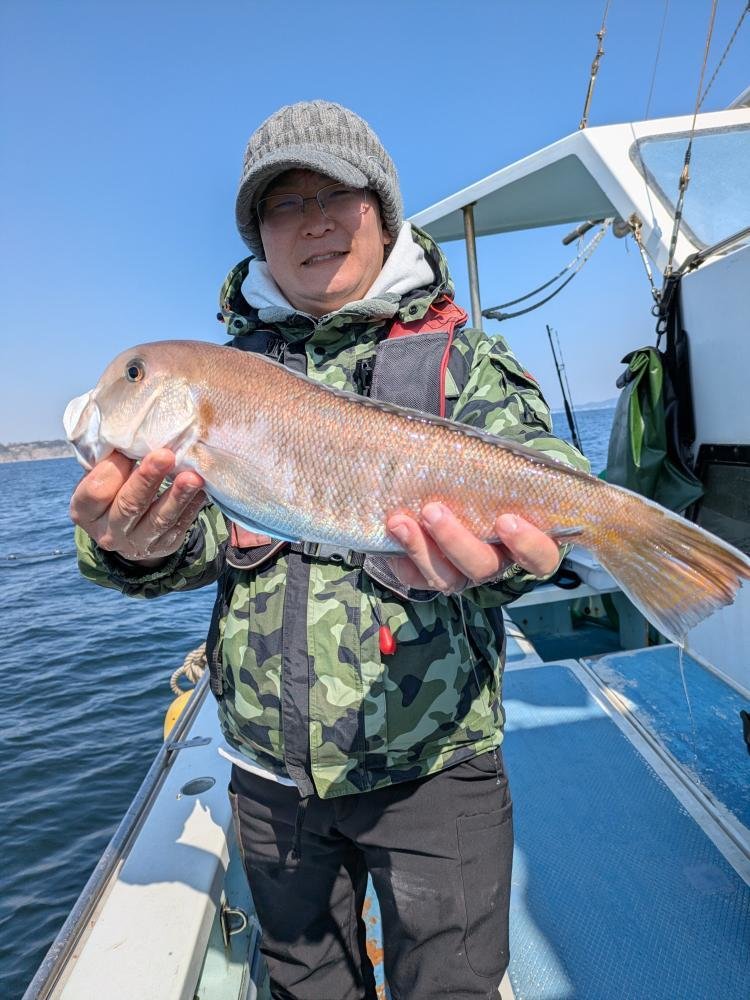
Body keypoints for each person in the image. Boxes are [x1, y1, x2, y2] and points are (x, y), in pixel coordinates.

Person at [70, 101, 588, 1000]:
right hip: (268, 774)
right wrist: (131, 547)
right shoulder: (232, 372)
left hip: (435, 762)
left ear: (381, 212)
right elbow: (196, 540)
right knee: (305, 984)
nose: (313, 221)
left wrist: (518, 554)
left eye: (338, 194)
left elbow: (551, 474)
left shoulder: (466, 361)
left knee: (455, 984)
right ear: (258, 237)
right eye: (284, 204)